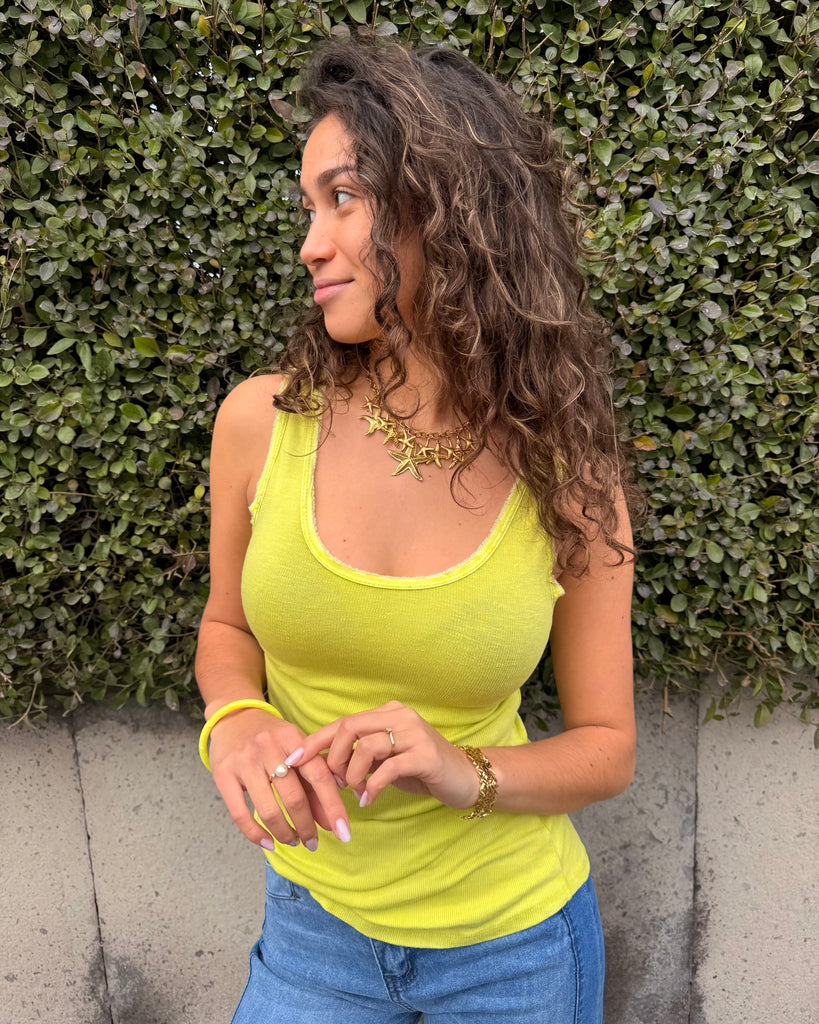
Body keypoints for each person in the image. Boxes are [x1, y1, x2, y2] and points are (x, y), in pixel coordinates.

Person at [195, 35, 636, 1024]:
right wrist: (239, 720)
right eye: (309, 206)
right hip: (314, 931)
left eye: (343, 198)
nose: (311, 244)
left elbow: (607, 747)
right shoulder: (261, 423)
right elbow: (226, 627)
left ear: (448, 207)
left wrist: (456, 767)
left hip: (516, 951)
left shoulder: (566, 471)